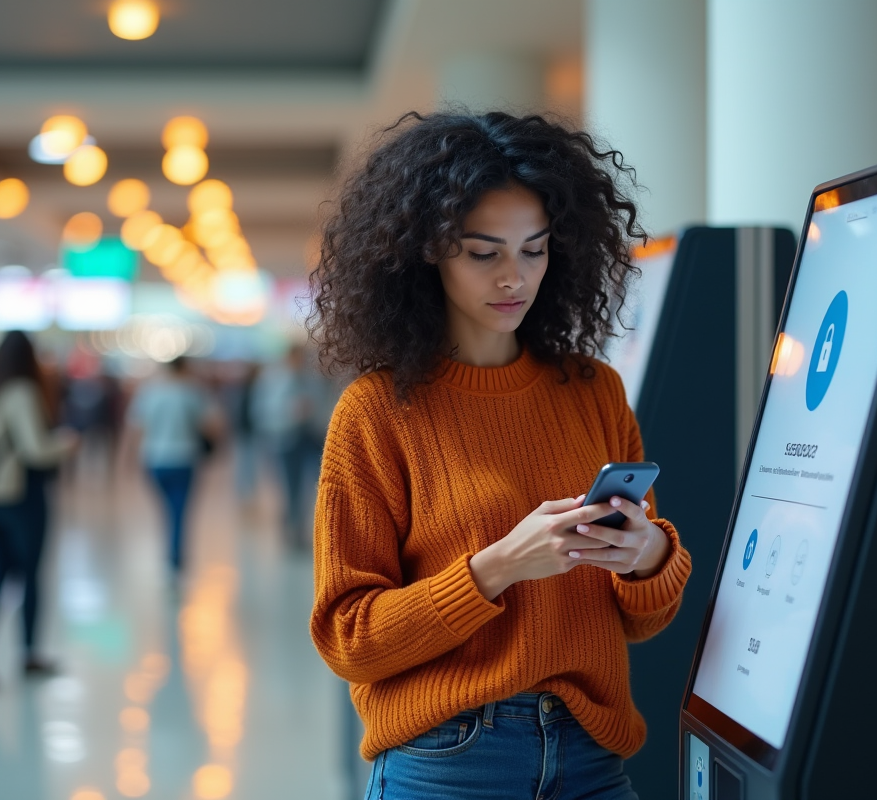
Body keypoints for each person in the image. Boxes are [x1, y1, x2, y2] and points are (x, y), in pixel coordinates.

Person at [307, 112, 693, 800]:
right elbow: (349, 638)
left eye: (534, 250)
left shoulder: (594, 390)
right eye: (484, 254)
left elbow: (645, 618)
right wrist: (499, 567)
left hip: (591, 756)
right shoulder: (376, 412)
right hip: (450, 761)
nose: (515, 277)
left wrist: (649, 554)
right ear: (427, 252)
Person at [0, 331, 77, 686]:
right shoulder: (22, 392)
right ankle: (28, 654)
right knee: (30, 574)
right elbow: (35, 449)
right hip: (18, 495)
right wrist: (68, 443)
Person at [126, 358, 221, 575]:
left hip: (154, 459)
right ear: (184, 368)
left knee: (168, 509)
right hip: (184, 459)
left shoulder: (148, 392)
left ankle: (172, 555)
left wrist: (128, 458)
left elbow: (135, 428)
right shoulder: (194, 392)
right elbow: (213, 426)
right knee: (179, 511)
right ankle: (175, 560)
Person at [251, 344, 332, 550]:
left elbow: (321, 404)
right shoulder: (273, 379)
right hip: (285, 438)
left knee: (314, 485)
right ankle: (290, 529)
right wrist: (290, 412)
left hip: (310, 437)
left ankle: (302, 527)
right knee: (290, 487)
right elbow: (263, 411)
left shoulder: (311, 379)